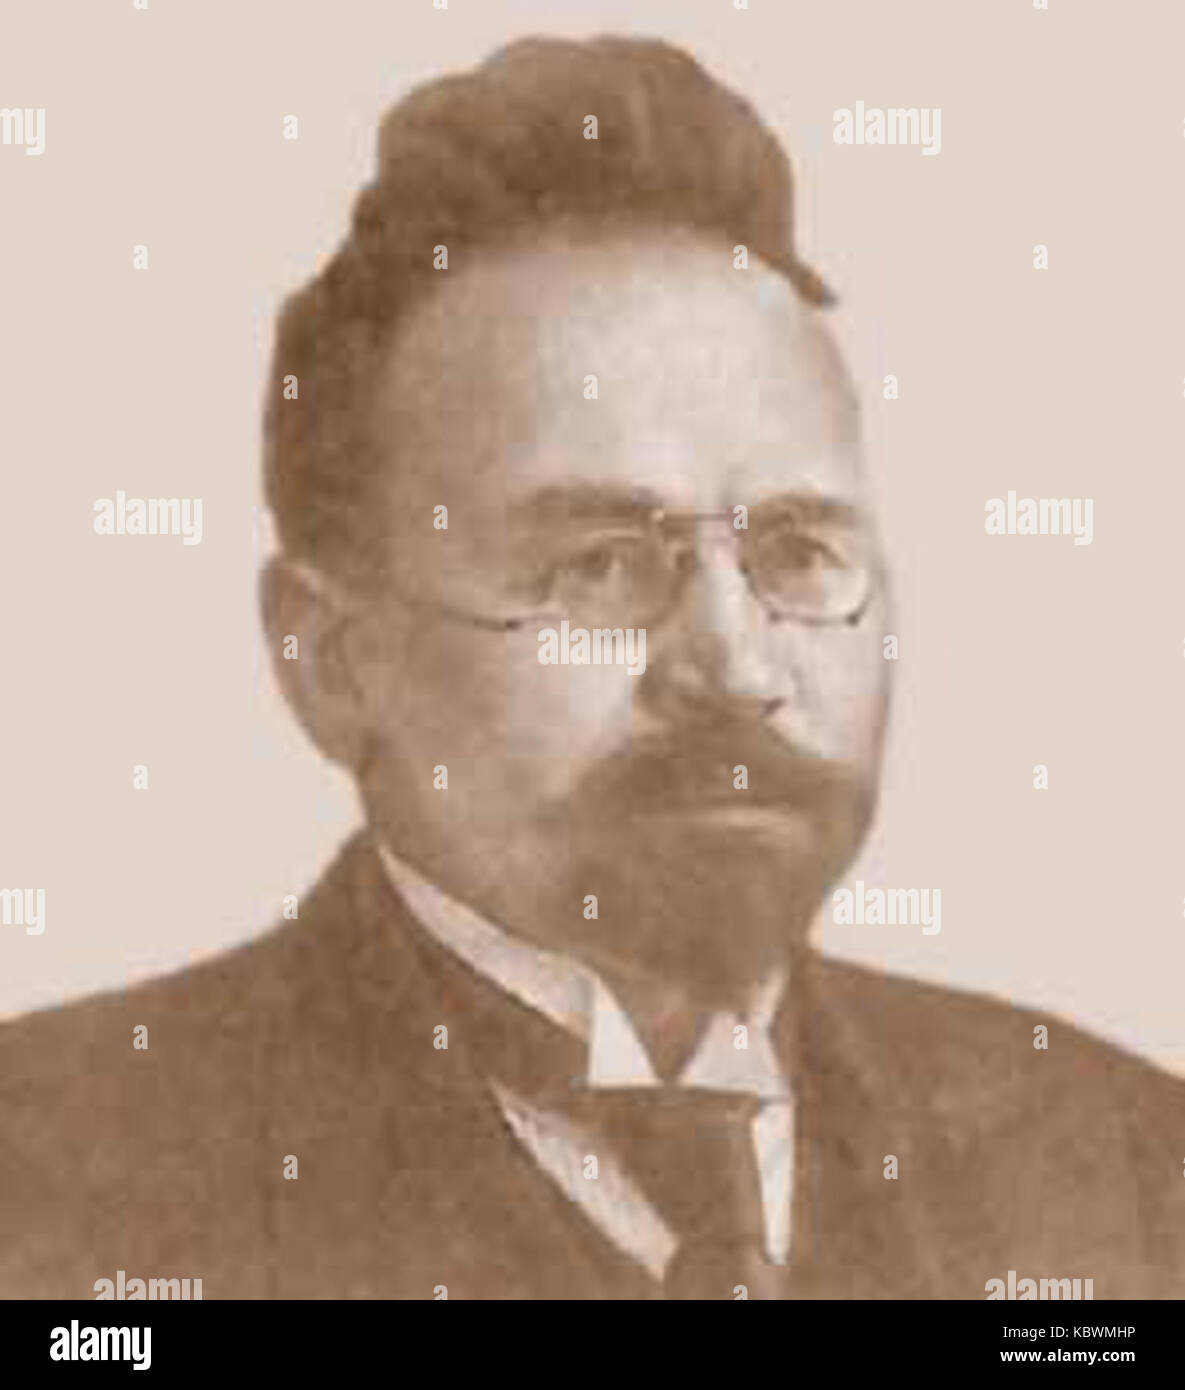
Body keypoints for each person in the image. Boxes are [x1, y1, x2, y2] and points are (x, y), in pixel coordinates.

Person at [1, 36, 1181, 1301]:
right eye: (602, 566)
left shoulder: (1124, 1163)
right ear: (334, 661)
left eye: (796, 553)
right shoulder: (52, 1180)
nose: (735, 664)